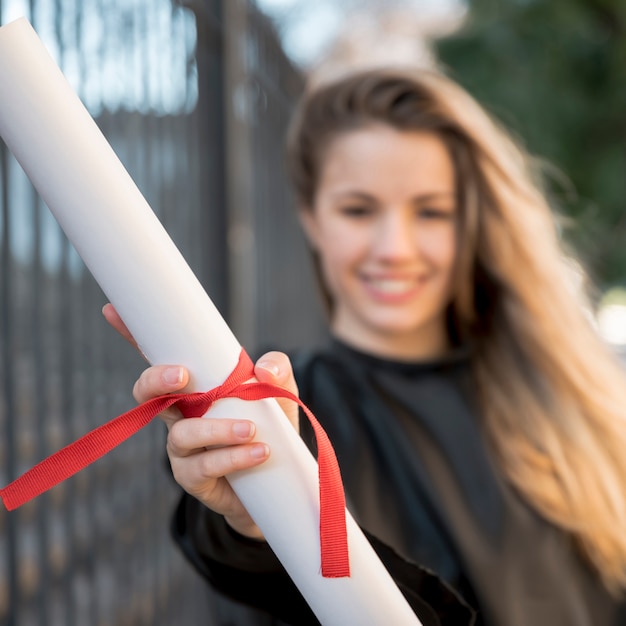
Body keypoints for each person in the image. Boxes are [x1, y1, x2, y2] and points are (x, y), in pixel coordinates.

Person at [104, 67, 626, 625]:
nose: (394, 248)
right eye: (358, 209)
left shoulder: (564, 389)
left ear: (469, 223)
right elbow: (255, 563)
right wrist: (258, 512)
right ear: (311, 218)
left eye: (430, 211)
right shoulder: (284, 411)